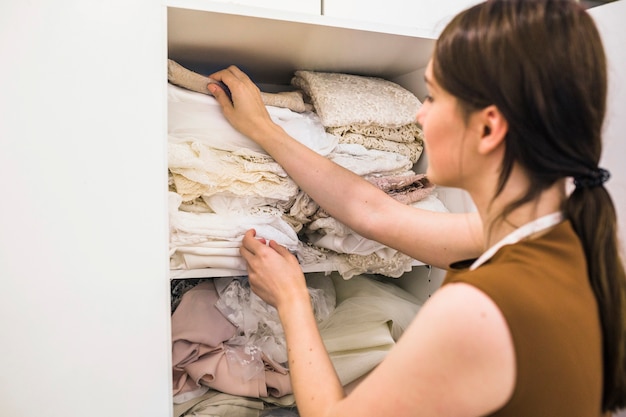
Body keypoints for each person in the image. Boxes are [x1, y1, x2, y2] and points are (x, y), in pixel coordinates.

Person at [207, 0, 626, 415]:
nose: (420, 116)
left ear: (487, 128)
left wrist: (292, 300)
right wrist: (265, 130)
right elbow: (373, 213)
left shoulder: (475, 310)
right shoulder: (569, 240)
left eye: (433, 96)